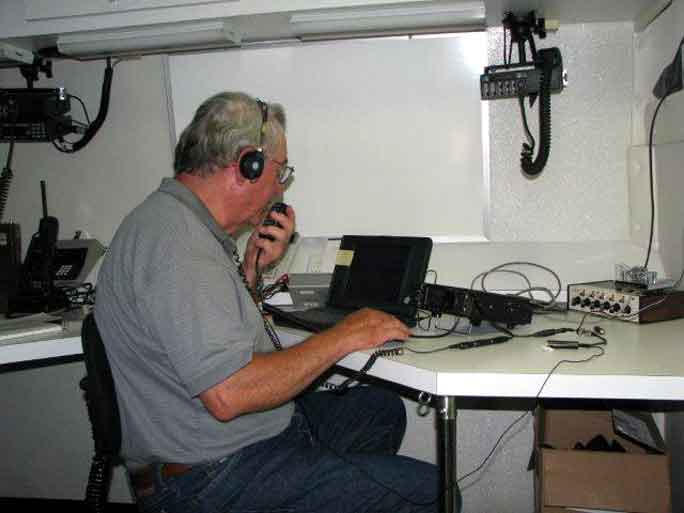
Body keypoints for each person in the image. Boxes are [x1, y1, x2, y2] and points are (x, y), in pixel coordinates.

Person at [96, 91, 455, 513]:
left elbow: (207, 333)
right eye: (279, 170)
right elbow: (230, 394)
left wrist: (250, 272)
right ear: (247, 165)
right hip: (208, 475)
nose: (280, 187)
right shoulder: (180, 247)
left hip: (228, 441)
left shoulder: (178, 223)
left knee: (380, 410)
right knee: (433, 494)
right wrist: (344, 334)